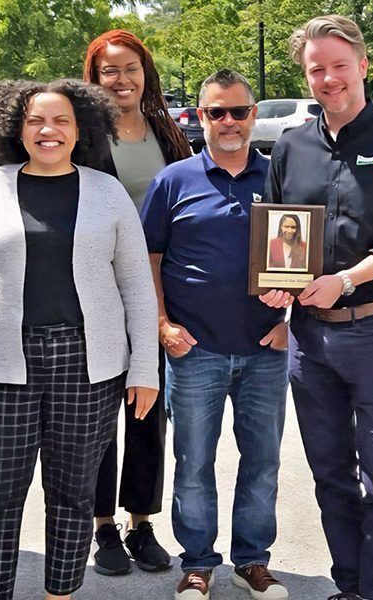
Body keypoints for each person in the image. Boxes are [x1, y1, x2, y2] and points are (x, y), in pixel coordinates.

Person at [0, 78, 159, 600]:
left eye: (61, 121)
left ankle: (61, 593)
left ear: (82, 130)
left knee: (74, 496)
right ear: (15, 127)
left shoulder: (107, 193)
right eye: (35, 120)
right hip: (0, 366)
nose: (47, 130)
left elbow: (137, 288)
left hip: (88, 366)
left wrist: (144, 367)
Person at [260, 15, 373, 600]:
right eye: (316, 69)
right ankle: (350, 587)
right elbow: (279, 235)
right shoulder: (290, 145)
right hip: (309, 337)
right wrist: (276, 285)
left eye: (338, 65)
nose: (328, 78)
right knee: (331, 475)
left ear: (363, 65)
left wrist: (346, 280)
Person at [142, 69, 290, 600]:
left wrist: (287, 319)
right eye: (215, 112)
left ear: (253, 115)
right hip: (194, 351)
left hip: (266, 350)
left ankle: (253, 561)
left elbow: (304, 259)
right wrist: (162, 325)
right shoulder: (173, 180)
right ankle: (198, 564)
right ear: (198, 116)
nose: (228, 122)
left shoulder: (281, 178)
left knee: (263, 462)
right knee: (194, 463)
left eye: (239, 111)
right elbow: (148, 260)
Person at [82, 29, 191, 576]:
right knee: (100, 411)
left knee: (148, 410)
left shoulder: (168, 133)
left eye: (131, 69)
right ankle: (102, 526)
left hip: (156, 292)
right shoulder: (82, 135)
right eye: (109, 70)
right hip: (95, 294)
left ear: (146, 74)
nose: (121, 80)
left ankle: (140, 520)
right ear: (94, 76)